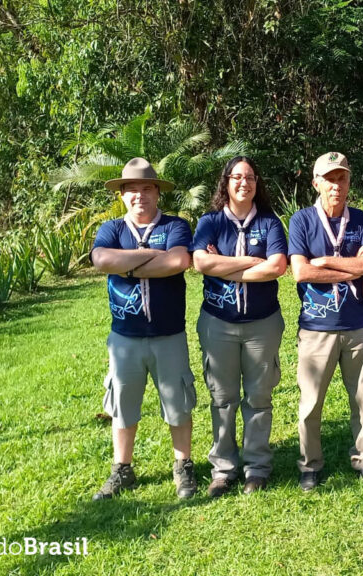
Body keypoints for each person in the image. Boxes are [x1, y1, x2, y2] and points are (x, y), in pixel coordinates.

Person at [90, 157, 198, 500]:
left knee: (178, 403)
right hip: (125, 337)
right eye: (132, 189)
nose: (140, 195)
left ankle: (183, 466)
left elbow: (179, 261)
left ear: (157, 193)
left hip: (169, 334)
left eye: (147, 188)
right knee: (123, 404)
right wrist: (151, 257)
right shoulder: (112, 230)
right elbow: (101, 260)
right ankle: (122, 469)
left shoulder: (176, 226)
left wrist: (128, 265)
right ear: (122, 194)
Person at [191, 156, 288, 497]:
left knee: (259, 397)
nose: (243, 182)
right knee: (222, 398)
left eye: (249, 177)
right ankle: (223, 469)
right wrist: (249, 263)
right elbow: (201, 261)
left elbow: (276, 267)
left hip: (262, 324)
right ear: (226, 183)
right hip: (219, 323)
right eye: (236, 177)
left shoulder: (270, 223)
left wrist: (224, 265)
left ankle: (257, 467)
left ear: (256, 184)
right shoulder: (211, 222)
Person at [288, 151, 363, 491]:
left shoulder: (359, 220)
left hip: (356, 324)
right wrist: (350, 265)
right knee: (311, 403)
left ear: (348, 182)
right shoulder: (301, 221)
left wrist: (327, 261)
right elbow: (301, 271)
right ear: (316, 183)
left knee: (361, 398)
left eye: (341, 177)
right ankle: (310, 465)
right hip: (316, 328)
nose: (336, 185)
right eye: (329, 179)